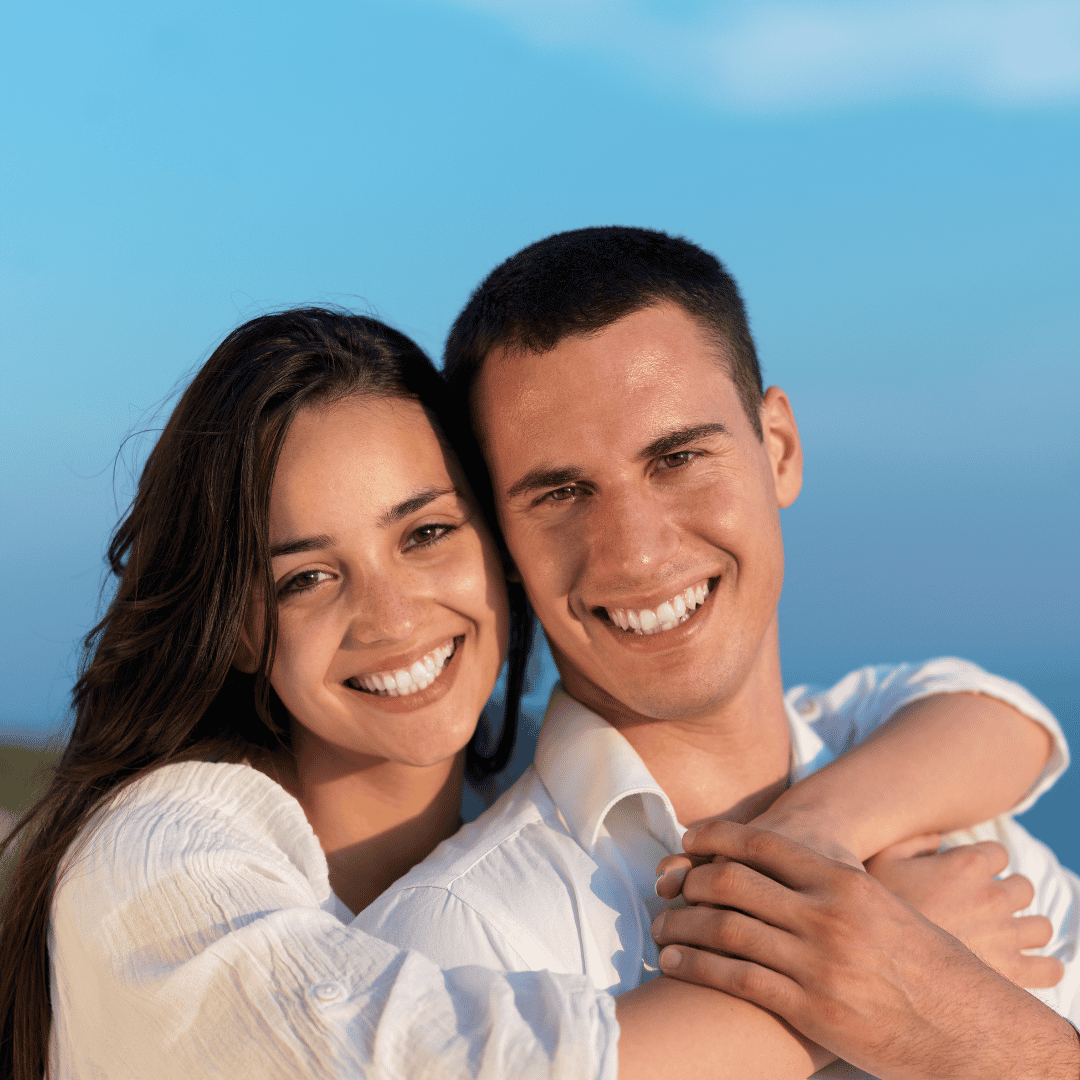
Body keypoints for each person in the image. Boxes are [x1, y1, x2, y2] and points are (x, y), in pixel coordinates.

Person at [0, 306, 1033, 1080]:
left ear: (496, 543)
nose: (391, 617)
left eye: (425, 533)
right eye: (307, 576)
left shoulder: (516, 770)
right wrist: (874, 976)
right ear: (235, 622)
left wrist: (809, 835)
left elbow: (961, 705)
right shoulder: (165, 855)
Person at [357, 228, 1080, 1077]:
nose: (634, 553)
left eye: (678, 457)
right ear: (503, 545)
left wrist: (949, 1011)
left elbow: (986, 709)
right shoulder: (454, 940)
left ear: (778, 448)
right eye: (560, 493)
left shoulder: (971, 838)